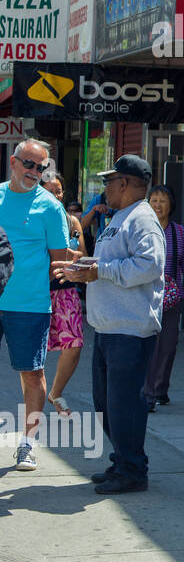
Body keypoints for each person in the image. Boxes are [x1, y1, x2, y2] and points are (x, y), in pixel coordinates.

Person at [54, 155, 162, 493]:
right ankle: (124, 461)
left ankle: (132, 471)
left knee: (124, 404)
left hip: (129, 328)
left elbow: (150, 265)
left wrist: (99, 271)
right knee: (107, 404)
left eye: (109, 182)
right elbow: (115, 263)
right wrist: (84, 264)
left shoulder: (142, 218)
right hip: (110, 327)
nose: (106, 189)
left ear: (125, 184)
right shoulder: (122, 217)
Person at [3, 140, 70, 470]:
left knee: (32, 373)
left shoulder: (50, 207)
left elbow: (58, 262)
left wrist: (27, 281)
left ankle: (27, 443)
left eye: (40, 167)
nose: (33, 172)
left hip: (28, 305)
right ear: (13, 162)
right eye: (28, 164)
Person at [143, 185, 184, 411]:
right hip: (144, 297)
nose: (158, 204)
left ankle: (160, 389)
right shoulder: (142, 229)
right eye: (154, 200)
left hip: (172, 299)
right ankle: (147, 392)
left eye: (162, 200)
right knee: (148, 346)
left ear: (171, 205)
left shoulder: (179, 232)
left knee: (167, 346)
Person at [40, 168, 85, 419]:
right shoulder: (33, 220)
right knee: (35, 351)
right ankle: (35, 395)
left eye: (58, 191)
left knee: (75, 345)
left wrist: (76, 259)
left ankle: (56, 391)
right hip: (39, 290)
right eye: (50, 191)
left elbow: (81, 254)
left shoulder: (72, 222)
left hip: (66, 289)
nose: (56, 195)